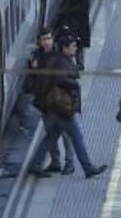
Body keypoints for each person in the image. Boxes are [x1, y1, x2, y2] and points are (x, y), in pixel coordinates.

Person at [27, 35, 107, 179]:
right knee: (77, 137)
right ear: (64, 47)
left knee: (51, 136)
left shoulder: (57, 58)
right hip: (62, 107)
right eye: (73, 46)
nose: (76, 49)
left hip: (53, 106)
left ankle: (35, 165)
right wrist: (74, 84)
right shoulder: (60, 61)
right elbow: (61, 79)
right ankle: (88, 168)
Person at [26, 28, 76, 172]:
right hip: (46, 103)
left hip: (62, 101)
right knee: (50, 133)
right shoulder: (36, 57)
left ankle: (69, 163)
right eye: (44, 39)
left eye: (49, 38)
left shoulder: (61, 54)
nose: (47, 42)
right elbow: (33, 81)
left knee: (67, 134)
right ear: (39, 42)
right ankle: (55, 162)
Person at [59, 0, 91, 69]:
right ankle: (79, 63)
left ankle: (78, 64)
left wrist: (65, 11)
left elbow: (79, 7)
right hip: (80, 22)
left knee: (75, 42)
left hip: (77, 22)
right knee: (77, 43)